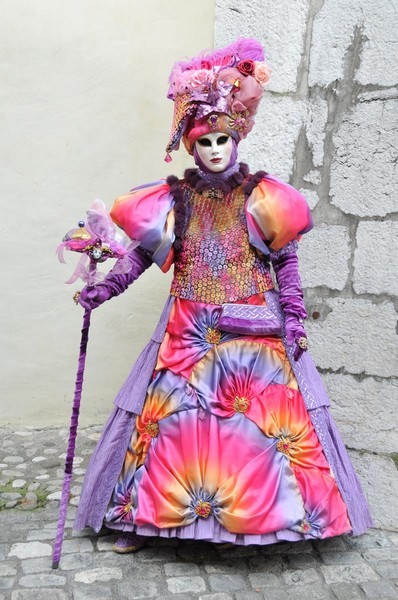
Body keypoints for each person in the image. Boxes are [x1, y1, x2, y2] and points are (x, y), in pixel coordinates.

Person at [73, 39, 373, 553]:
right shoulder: (175, 198)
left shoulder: (262, 195)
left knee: (256, 430)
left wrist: (295, 319)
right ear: (193, 146)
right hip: (187, 329)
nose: (214, 150)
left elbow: (286, 261)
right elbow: (141, 256)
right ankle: (148, 522)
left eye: (221, 140)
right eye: (204, 141)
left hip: (252, 326)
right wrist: (104, 289)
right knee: (171, 428)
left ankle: (267, 523)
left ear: (236, 141)